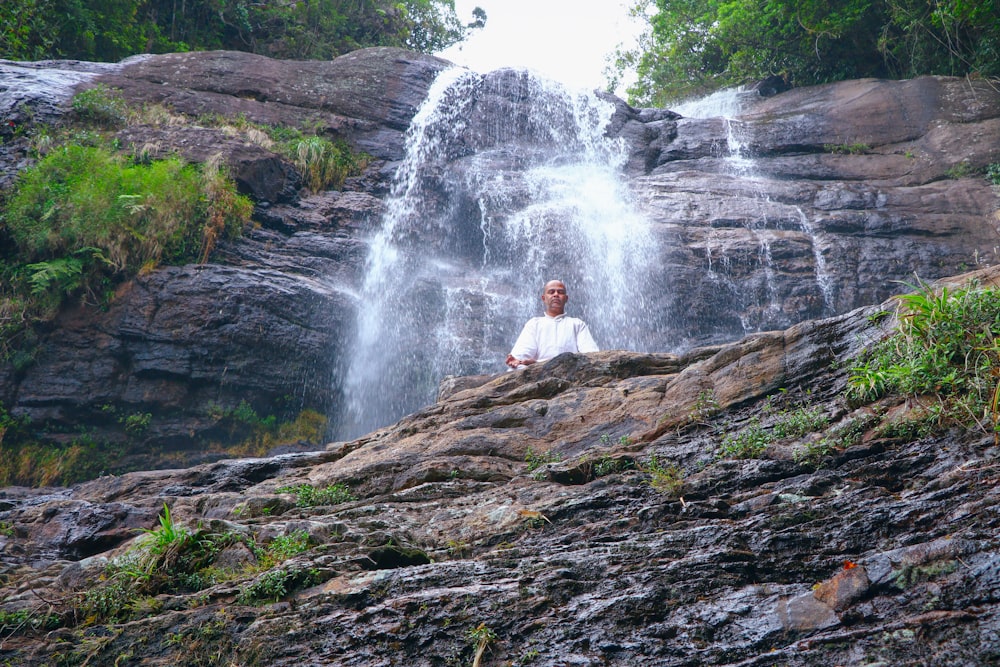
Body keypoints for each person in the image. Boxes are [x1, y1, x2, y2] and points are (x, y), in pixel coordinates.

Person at [506, 280, 599, 369]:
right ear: (544, 298)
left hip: (571, 372)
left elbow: (591, 355)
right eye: (551, 292)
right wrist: (517, 361)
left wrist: (538, 364)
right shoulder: (534, 324)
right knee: (516, 369)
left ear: (566, 298)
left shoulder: (577, 324)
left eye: (560, 292)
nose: (556, 295)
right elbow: (521, 358)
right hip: (538, 375)